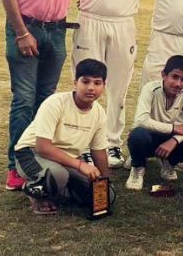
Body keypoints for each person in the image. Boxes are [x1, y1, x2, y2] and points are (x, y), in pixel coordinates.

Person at [0, 0, 81, 190]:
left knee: (46, 103)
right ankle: (15, 167)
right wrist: (22, 33)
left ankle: (38, 160)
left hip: (57, 31)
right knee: (23, 101)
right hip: (27, 29)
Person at [72, 0, 157, 168]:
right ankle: (83, 145)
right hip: (90, 21)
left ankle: (112, 145)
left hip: (123, 24)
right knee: (87, 85)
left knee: (118, 89)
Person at [14, 59, 113, 215]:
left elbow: (99, 151)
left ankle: (59, 189)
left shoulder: (99, 113)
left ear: (104, 86)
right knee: (57, 175)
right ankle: (33, 190)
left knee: (105, 197)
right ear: (75, 82)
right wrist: (81, 166)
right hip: (30, 153)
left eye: (97, 83)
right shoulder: (56, 102)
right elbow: (42, 147)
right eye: (85, 81)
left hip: (66, 160)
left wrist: (105, 183)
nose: (91, 88)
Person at [126, 55, 183, 190]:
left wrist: (174, 140)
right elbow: (141, 120)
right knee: (138, 135)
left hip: (168, 140)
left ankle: (169, 162)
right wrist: (175, 128)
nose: (178, 83)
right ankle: (137, 166)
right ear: (164, 75)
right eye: (175, 77)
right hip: (148, 137)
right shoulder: (150, 89)